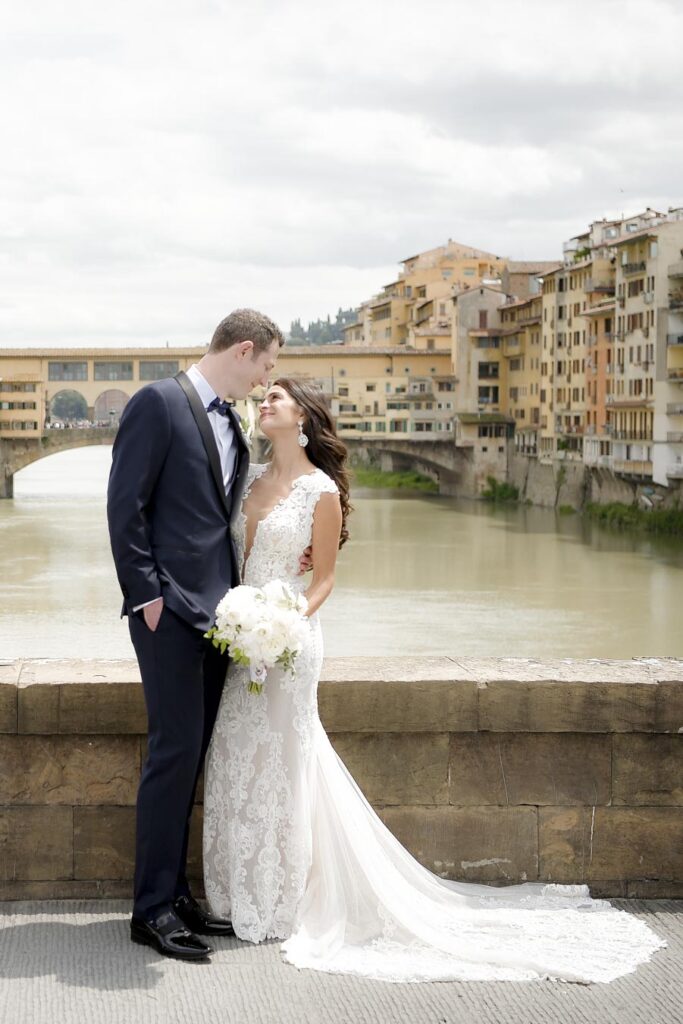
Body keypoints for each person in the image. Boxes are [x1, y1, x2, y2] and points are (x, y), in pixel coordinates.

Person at [203, 377, 665, 984]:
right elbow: (235, 560)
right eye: (261, 399)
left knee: (289, 760)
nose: (263, 406)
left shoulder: (320, 491)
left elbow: (323, 581)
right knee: (238, 755)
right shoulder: (248, 479)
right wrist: (243, 622)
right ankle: (236, 895)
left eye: (276, 400)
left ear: (306, 418)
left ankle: (285, 897)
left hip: (289, 640)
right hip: (243, 643)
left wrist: (283, 623)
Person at [107, 309, 284, 962]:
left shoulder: (231, 421)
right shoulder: (158, 403)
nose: (267, 382)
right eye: (266, 367)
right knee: (172, 754)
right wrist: (147, 598)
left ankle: (176, 896)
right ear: (243, 350)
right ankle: (150, 910)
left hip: (219, 618)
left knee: (192, 756)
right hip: (168, 615)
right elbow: (125, 505)